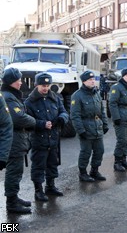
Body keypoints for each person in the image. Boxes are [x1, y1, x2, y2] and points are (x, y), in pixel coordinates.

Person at [24, 73, 69, 201]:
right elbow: (27, 121)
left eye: (48, 85)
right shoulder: (29, 102)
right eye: (43, 85)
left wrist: (61, 119)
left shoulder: (55, 98)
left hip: (53, 138)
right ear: (36, 85)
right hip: (39, 139)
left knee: (52, 164)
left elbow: (64, 112)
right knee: (38, 165)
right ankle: (38, 190)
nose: (45, 88)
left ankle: (51, 186)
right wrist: (41, 124)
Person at [1, 67, 36, 214]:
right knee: (14, 171)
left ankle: (14, 197)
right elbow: (18, 118)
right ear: (10, 82)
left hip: (17, 140)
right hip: (13, 141)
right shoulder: (8, 97)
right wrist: (34, 121)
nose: (20, 83)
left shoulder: (11, 95)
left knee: (17, 171)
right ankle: (11, 203)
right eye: (18, 81)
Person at [71, 70, 109, 182]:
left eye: (93, 79)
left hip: (97, 127)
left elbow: (102, 111)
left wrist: (105, 124)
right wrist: (80, 130)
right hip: (86, 128)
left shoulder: (96, 93)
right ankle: (83, 173)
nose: (93, 81)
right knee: (86, 152)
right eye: (90, 80)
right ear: (84, 82)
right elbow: (75, 115)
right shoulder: (77, 96)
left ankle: (94, 171)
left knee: (99, 151)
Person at [109, 68, 127, 172]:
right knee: (121, 140)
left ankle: (123, 160)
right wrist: (116, 117)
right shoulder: (117, 87)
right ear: (122, 76)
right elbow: (112, 103)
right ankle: (117, 162)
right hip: (121, 116)